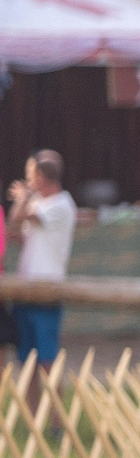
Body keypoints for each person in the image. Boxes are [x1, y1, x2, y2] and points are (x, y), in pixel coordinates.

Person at [9, 150, 75, 365]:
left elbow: (20, 216)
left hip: (46, 287)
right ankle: (31, 401)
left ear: (40, 176)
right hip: (26, 287)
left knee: (47, 359)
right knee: (26, 360)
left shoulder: (61, 204)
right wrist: (25, 201)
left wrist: (22, 198)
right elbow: (13, 229)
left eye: (30, 174)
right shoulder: (37, 204)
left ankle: (53, 400)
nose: (27, 181)